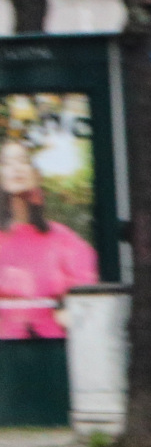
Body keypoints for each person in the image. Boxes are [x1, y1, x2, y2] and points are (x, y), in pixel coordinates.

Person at [0, 133, 98, 341]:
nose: (16, 168)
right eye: (7, 163)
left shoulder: (61, 238)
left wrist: (70, 315)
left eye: (23, 161)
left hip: (53, 350)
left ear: (36, 175)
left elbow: (88, 289)